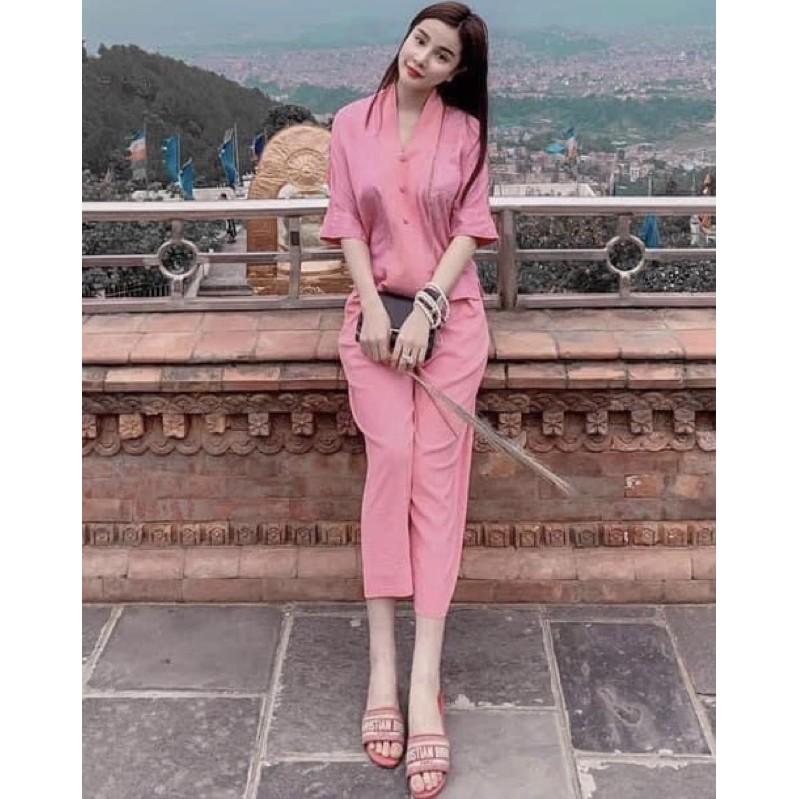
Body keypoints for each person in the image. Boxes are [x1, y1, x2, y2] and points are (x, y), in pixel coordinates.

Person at [319, 4, 496, 797]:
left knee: (436, 482)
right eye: (419, 39)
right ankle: (380, 671)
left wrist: (426, 309)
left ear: (459, 70)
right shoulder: (349, 123)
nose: (422, 56)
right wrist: (375, 311)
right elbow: (348, 227)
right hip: (372, 322)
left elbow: (468, 229)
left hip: (448, 322)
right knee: (389, 461)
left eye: (442, 53)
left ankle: (423, 682)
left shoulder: (464, 133)